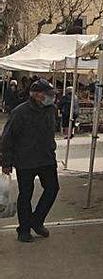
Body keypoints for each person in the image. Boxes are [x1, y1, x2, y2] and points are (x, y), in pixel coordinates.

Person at [0, 79, 60, 243]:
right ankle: (24, 230)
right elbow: (7, 138)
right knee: (25, 194)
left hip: (46, 158)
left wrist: (51, 148)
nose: (51, 97)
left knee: (53, 188)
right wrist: (6, 162)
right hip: (25, 160)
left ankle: (37, 220)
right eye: (47, 94)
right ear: (36, 95)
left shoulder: (51, 109)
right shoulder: (20, 112)